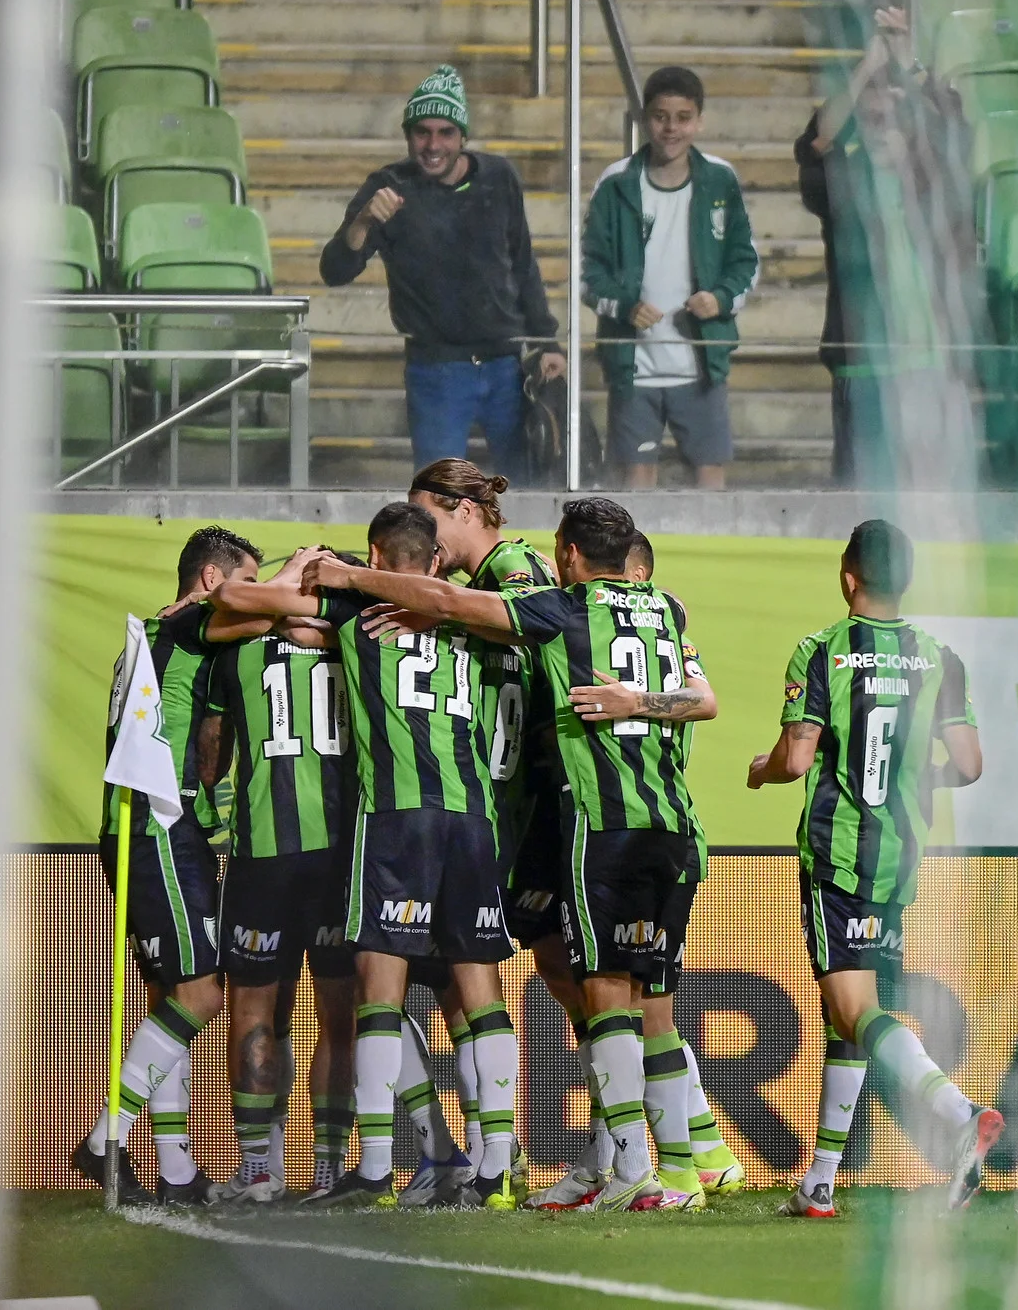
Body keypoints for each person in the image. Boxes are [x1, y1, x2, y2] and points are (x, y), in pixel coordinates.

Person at [297, 497, 719, 1213]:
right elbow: (703, 702)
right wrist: (640, 703)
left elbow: (440, 599)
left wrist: (350, 578)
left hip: (596, 821)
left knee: (605, 992)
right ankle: (665, 1165)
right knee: (637, 998)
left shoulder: (558, 609)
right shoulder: (665, 611)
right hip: (673, 825)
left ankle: (631, 1168)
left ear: (570, 556)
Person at [212, 503, 523, 1210]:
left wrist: (323, 575)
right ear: (437, 560)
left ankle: (375, 1168)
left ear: (377, 556)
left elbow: (236, 597)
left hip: (396, 818)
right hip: (472, 817)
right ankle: (495, 1170)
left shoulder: (355, 607)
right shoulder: (471, 617)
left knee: (377, 992)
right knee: (480, 994)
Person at [746, 519, 999, 1218]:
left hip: (837, 853)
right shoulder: (937, 656)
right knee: (847, 1014)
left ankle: (958, 1114)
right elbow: (971, 766)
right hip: (898, 856)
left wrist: (760, 773)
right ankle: (820, 1181)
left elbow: (796, 759)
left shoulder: (822, 651)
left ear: (846, 574)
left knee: (855, 1009)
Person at [72, 526, 272, 1206]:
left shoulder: (170, 637)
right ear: (212, 582)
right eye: (245, 582)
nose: (253, 599)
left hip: (146, 827)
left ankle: (178, 1173)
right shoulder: (190, 626)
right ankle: (105, 1138)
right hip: (159, 828)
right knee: (202, 995)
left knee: (168, 998)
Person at [205, 546, 363, 1204]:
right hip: (340, 857)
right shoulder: (360, 646)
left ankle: (259, 1170)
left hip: (261, 857)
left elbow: (211, 742)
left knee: (254, 1010)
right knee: (341, 1018)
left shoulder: (238, 650)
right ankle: (327, 1169)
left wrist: (211, 820)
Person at [320, 65, 565, 481]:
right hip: (436, 370)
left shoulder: (499, 177)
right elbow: (334, 270)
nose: (433, 144)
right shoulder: (389, 186)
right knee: (436, 497)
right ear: (407, 135)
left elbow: (523, 265)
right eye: (422, 132)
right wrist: (362, 221)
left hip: (506, 366)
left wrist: (547, 343)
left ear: (462, 136)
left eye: (445, 132)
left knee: (528, 489)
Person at [795, 5, 979, 489]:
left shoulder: (933, 183)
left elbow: (957, 125)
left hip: (928, 362)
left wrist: (910, 65)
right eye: (871, 112)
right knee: (860, 496)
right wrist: (867, 68)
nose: (881, 118)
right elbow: (816, 141)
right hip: (864, 363)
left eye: (893, 110)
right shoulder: (843, 185)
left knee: (932, 492)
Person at [583, 66, 758, 490]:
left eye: (683, 117)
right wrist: (624, 307)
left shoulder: (720, 179)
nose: (672, 128)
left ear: (699, 120)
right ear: (645, 119)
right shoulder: (616, 182)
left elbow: (746, 262)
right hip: (634, 366)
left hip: (701, 363)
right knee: (636, 484)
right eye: (661, 116)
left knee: (710, 479)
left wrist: (720, 299)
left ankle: (715, 555)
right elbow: (588, 273)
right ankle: (635, 559)